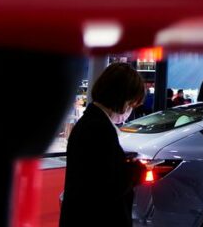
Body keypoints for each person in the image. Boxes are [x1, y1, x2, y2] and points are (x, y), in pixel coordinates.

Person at [59, 62, 146, 227]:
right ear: (122, 98)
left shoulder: (91, 122)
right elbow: (102, 188)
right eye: (131, 103)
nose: (130, 110)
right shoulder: (99, 128)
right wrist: (135, 172)